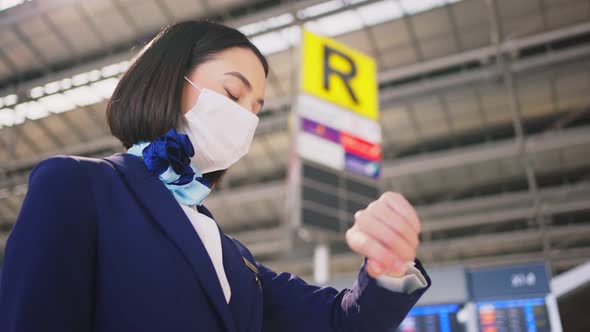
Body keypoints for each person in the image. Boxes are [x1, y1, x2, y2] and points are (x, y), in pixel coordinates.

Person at [0, 21, 430, 332]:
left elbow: (339, 322)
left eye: (256, 110)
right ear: (171, 78)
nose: (244, 118)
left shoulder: (234, 257)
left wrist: (387, 269)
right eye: (232, 93)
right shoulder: (77, 185)